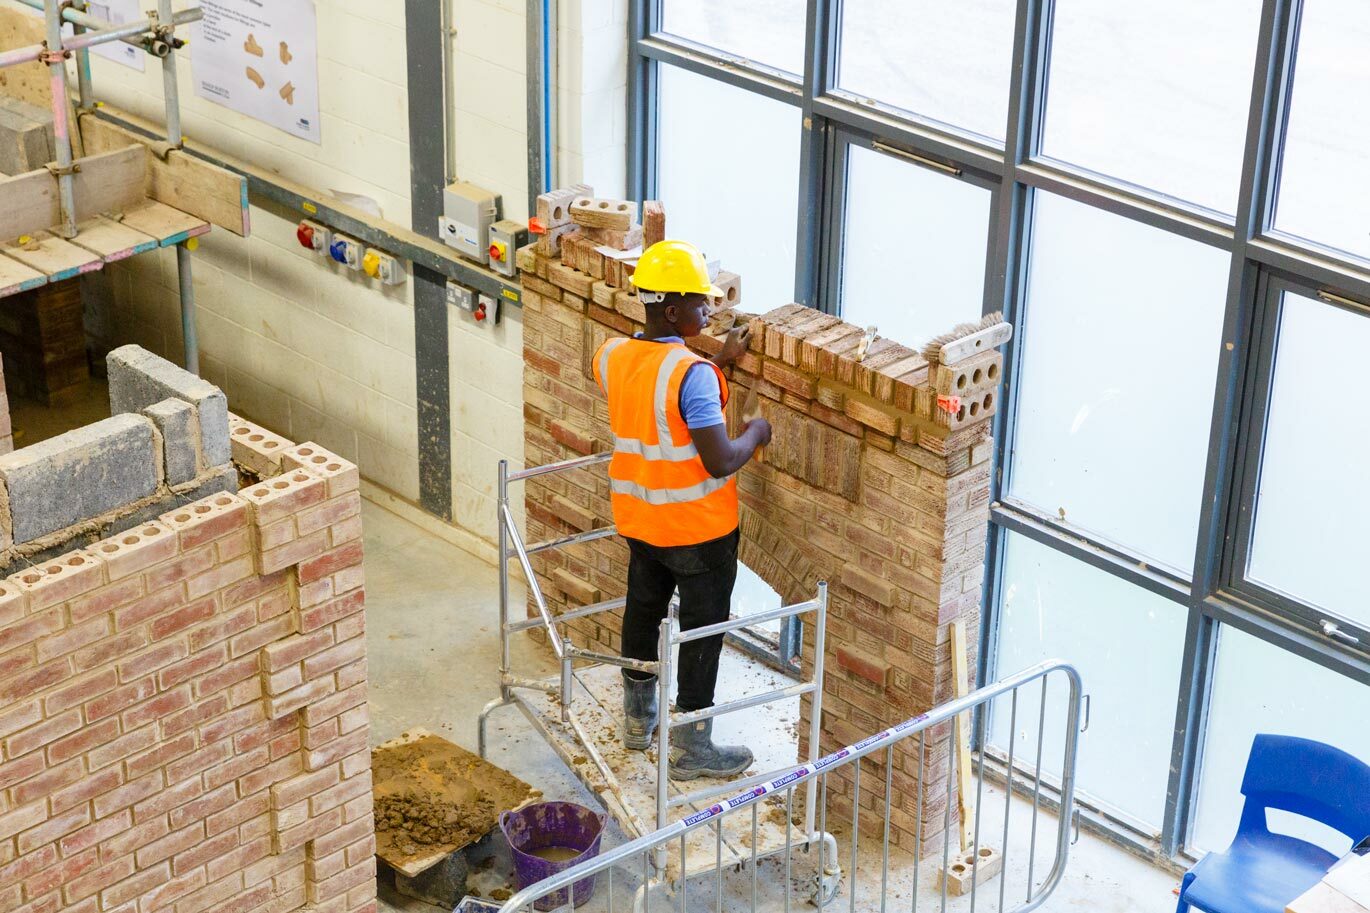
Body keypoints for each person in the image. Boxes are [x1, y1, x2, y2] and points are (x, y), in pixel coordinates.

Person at [590, 239, 772, 781]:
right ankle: (692, 749)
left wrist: (717, 361)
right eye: (699, 303)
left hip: (641, 521)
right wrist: (756, 432)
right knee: (700, 633)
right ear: (672, 310)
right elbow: (720, 460)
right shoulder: (693, 375)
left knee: (642, 613)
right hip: (699, 533)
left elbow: (659, 393)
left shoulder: (611, 356)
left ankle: (637, 720)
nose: (709, 311)